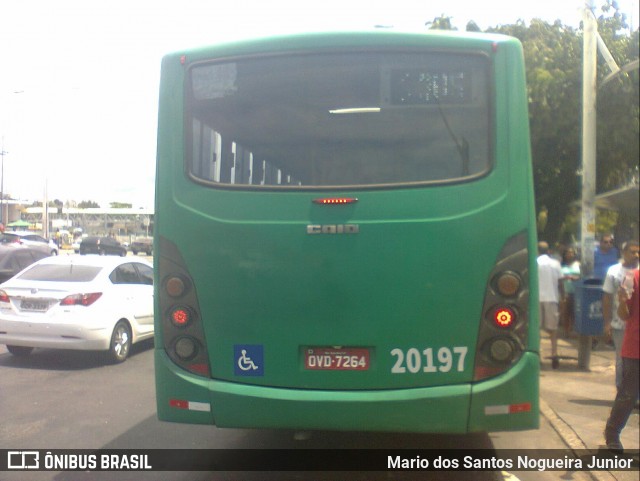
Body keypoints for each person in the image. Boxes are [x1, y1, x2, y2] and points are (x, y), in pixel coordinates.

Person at [604, 268, 639, 452]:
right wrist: (623, 301)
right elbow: (624, 314)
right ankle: (612, 433)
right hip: (636, 348)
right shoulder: (633, 277)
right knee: (628, 396)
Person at [603, 241, 640, 389]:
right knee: (622, 359)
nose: (636, 255)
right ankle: (622, 391)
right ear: (624, 253)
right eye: (632, 252)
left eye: (638, 252)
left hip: (636, 324)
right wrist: (607, 323)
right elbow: (607, 297)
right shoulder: (613, 271)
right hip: (620, 323)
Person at [538, 241, 564, 369]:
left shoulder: (533, 263)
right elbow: (560, 282)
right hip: (552, 298)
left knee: (536, 329)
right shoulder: (555, 264)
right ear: (548, 251)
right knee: (553, 330)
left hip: (536, 299)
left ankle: (537, 355)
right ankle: (554, 354)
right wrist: (563, 296)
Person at [560, 246, 580, 337]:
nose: (570, 254)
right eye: (568, 252)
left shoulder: (578, 264)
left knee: (575, 312)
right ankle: (566, 331)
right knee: (565, 312)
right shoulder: (561, 265)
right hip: (565, 291)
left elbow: (582, 276)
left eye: (571, 252)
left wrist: (574, 278)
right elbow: (558, 279)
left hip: (576, 292)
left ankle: (574, 330)